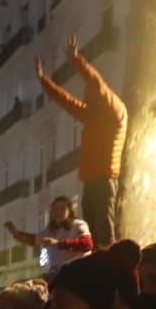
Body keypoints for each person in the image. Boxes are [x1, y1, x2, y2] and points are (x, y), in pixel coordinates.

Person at [37, 32, 128, 247]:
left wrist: (76, 59)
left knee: (105, 227)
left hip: (106, 177)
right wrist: (44, 81)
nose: (86, 98)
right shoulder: (91, 115)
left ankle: (108, 261)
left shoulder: (116, 112)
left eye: (89, 95)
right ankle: (97, 259)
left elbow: (96, 83)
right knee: (93, 226)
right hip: (90, 179)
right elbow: (66, 101)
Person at [6, 196, 94, 277]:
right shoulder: (49, 231)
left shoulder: (78, 225)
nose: (58, 212)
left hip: (76, 272)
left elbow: (87, 244)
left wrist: (59, 244)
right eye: (55, 209)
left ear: (70, 211)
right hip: (56, 274)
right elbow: (33, 240)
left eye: (62, 209)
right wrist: (16, 233)